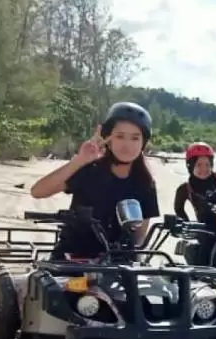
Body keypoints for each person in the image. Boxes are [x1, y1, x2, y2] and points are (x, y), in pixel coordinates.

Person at [29, 101, 160, 259]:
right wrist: (80, 160)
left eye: (135, 138)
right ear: (108, 139)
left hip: (116, 265)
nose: (127, 144)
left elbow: (139, 236)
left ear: (143, 142)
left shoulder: (145, 183)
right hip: (73, 260)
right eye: (120, 136)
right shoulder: (89, 170)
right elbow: (38, 191)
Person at [173, 142, 216, 221]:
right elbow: (178, 209)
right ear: (190, 166)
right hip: (203, 229)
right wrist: (187, 223)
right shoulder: (185, 188)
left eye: (207, 165)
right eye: (199, 165)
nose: (204, 169)